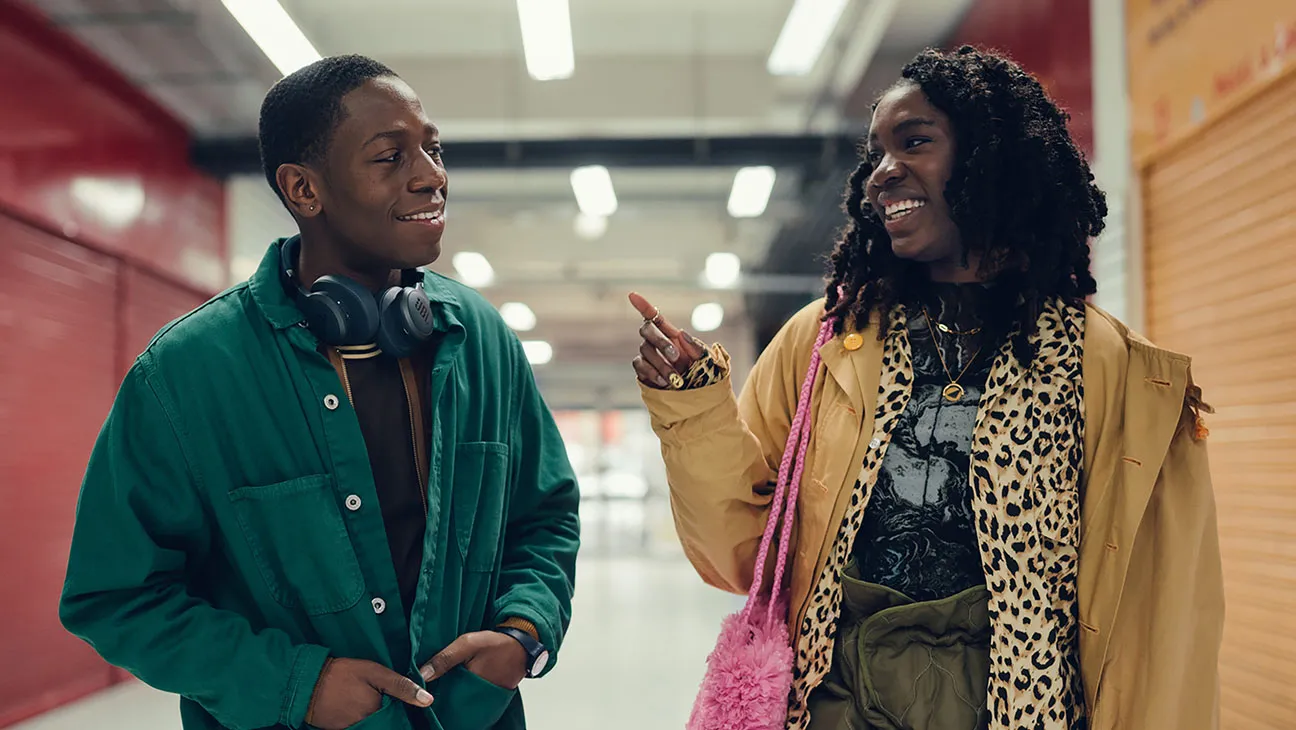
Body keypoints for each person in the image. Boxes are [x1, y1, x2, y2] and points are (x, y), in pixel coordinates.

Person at [630, 46, 1223, 730]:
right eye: (876, 153)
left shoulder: (1113, 370)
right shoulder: (823, 341)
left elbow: (1169, 618)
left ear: (992, 159)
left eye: (914, 142)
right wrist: (694, 408)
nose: (884, 174)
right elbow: (740, 554)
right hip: (837, 705)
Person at [60, 54, 580, 730]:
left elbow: (545, 515)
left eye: (433, 148)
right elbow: (117, 595)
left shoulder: (479, 339)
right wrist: (294, 685)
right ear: (305, 190)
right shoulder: (187, 374)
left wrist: (523, 631)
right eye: (390, 157)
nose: (432, 177)